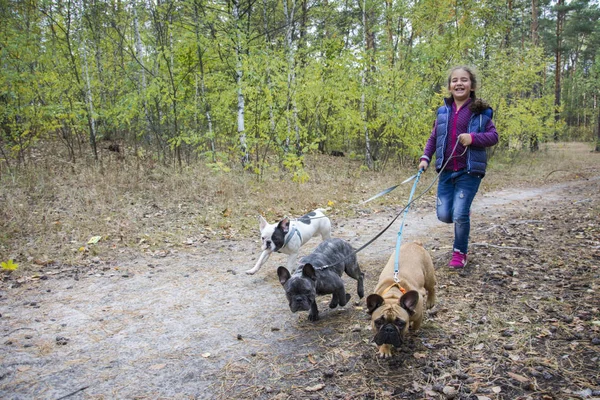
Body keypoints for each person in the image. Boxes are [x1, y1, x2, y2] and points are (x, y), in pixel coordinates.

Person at [418, 66, 499, 268]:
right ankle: (462, 213)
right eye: (455, 80)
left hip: (469, 171)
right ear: (449, 86)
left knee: (459, 215)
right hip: (446, 171)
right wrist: (426, 157)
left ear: (471, 85)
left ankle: (459, 252)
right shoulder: (443, 112)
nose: (459, 83)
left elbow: (493, 137)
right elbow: (434, 137)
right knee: (445, 215)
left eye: (464, 80)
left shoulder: (481, 113)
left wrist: (473, 138)